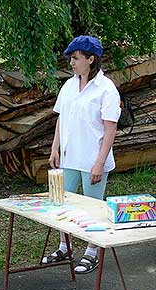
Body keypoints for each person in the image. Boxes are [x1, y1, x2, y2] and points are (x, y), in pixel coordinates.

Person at [43, 35, 121, 274]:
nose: (72, 63)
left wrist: (99, 163)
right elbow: (61, 118)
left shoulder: (106, 89)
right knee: (62, 204)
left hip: (92, 160)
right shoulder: (69, 85)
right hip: (69, 157)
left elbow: (110, 129)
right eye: (71, 58)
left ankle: (91, 251)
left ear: (91, 59)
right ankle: (64, 246)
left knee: (93, 208)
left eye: (76, 58)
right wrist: (55, 148)